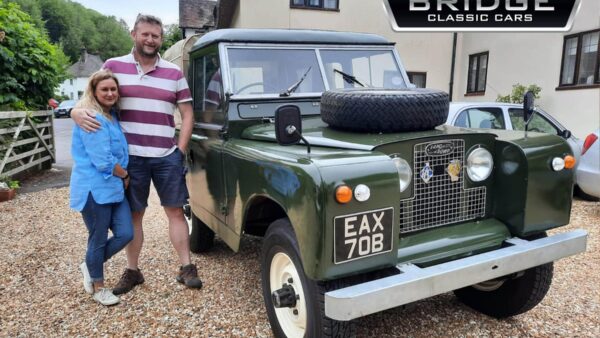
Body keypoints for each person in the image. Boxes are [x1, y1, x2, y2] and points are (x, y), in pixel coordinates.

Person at [71, 14, 200, 295]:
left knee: (176, 211)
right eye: (145, 34)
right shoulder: (113, 66)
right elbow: (92, 97)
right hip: (130, 158)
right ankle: (132, 270)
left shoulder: (174, 73)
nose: (150, 40)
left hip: (166, 153)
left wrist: (180, 150)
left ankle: (186, 266)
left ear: (161, 39)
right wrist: (74, 111)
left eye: (156, 36)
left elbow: (188, 114)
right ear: (134, 34)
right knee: (134, 216)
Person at [70, 69, 133, 306]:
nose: (110, 93)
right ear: (94, 92)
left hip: (113, 188)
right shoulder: (93, 118)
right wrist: (125, 174)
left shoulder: (110, 116)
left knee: (126, 233)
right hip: (94, 188)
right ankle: (98, 286)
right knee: (97, 239)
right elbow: (103, 160)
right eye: (104, 89)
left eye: (113, 89)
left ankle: (89, 264)